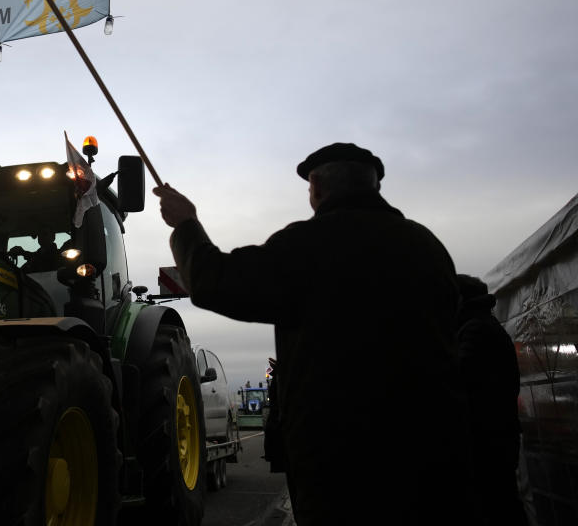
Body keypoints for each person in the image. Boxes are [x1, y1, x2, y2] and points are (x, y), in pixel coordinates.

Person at [154, 143, 471, 525]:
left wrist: (187, 224)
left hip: (339, 460)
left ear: (317, 187)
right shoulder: (428, 249)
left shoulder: (307, 246)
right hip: (432, 452)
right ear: (374, 186)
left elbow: (214, 281)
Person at [455, 274, 528, 526]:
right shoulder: (485, 325)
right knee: (502, 501)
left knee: (497, 504)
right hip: (497, 433)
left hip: (489, 436)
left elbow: (460, 376)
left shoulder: (475, 328)